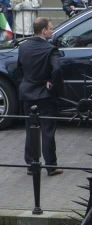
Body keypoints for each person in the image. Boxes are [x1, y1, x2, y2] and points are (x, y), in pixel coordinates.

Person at [18, 17, 62, 176]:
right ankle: (51, 166)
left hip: (27, 92)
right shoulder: (50, 49)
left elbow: (20, 66)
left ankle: (31, 164)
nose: (52, 30)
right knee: (48, 130)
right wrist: (51, 84)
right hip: (44, 94)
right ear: (44, 31)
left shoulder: (23, 47)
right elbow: (57, 69)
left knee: (31, 129)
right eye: (50, 28)